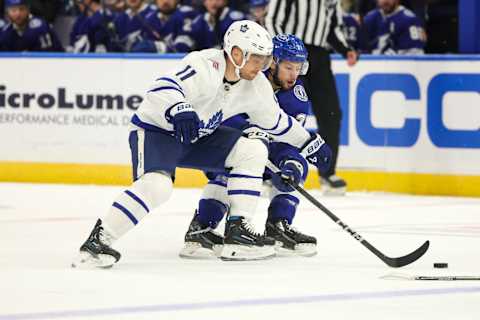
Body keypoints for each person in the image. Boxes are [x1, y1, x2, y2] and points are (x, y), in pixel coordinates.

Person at [72, 20, 332, 267]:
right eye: (256, 58)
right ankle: (98, 241)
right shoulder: (205, 64)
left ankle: (238, 231)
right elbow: (162, 87)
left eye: (264, 60)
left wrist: (310, 141)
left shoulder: (255, 86)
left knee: (252, 150)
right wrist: (179, 108)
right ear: (237, 53)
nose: (261, 66)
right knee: (158, 187)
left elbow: (277, 122)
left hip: (200, 136)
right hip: (158, 131)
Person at [180, 34, 319, 259]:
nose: (294, 76)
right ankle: (202, 228)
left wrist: (288, 162)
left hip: (267, 154)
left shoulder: (297, 97)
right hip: (234, 149)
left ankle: (278, 225)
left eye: (298, 68)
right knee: (237, 159)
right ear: (272, 62)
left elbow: (290, 140)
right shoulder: (246, 79)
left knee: (297, 164)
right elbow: (221, 121)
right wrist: (250, 134)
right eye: (289, 67)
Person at [266, 0, 358, 196]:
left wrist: (345, 49)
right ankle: (268, 171)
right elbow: (272, 20)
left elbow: (333, 26)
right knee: (279, 111)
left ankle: (327, 172)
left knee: (331, 114)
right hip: (288, 56)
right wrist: (278, 53)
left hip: (318, 58)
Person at [174, 0, 245, 52]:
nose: (214, 3)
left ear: (225, 1)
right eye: (210, 0)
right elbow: (186, 38)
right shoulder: (200, 20)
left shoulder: (236, 19)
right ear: (204, 2)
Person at [130, 0, 198, 53]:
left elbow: (183, 48)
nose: (165, 1)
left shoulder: (186, 13)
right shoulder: (150, 18)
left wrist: (158, 47)